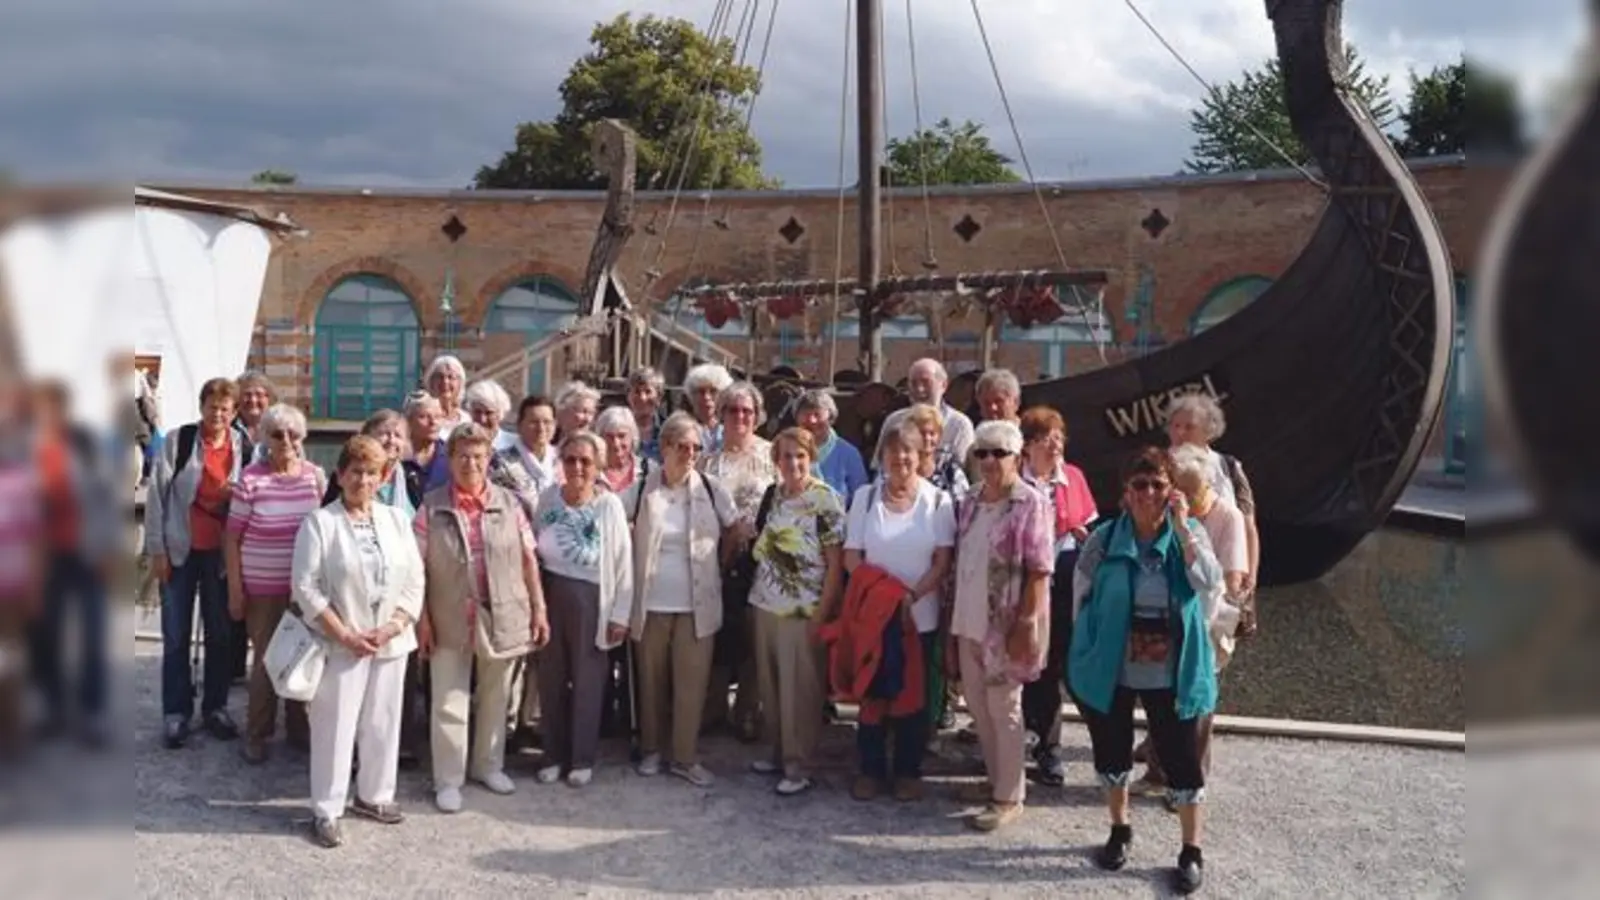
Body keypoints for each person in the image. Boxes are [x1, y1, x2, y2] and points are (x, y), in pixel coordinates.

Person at [1069, 447, 1223, 895]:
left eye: (1158, 484)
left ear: (1171, 490)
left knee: (1181, 759)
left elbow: (1209, 581)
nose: (1149, 493)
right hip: (1115, 664)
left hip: (1168, 669)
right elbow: (1081, 590)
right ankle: (1119, 830)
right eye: (1140, 485)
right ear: (1125, 493)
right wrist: (1087, 643)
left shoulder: (1187, 534)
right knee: (1112, 752)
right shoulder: (1105, 537)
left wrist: (1182, 528)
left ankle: (1191, 850)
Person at [291, 435, 425, 848]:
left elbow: (415, 579)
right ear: (340, 475)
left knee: (383, 722)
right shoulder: (320, 522)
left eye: (371, 473)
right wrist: (345, 633)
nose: (363, 480)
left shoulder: (396, 520)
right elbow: (305, 586)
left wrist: (394, 625)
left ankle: (374, 795)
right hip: (340, 644)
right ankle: (327, 809)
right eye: (355, 472)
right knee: (335, 727)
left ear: (383, 477)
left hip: (390, 641)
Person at [415, 424, 551, 813]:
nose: (470, 463)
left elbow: (529, 560)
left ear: (489, 459)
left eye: (478, 456)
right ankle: (448, 779)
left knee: (496, 695)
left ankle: (488, 766)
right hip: (448, 614)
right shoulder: (432, 504)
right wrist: (422, 619)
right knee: (448, 700)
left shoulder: (509, 504)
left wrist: (539, 609)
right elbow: (417, 569)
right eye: (462, 456)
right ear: (450, 459)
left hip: (503, 612)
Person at [612, 412, 738, 787]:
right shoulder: (641, 490)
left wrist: (720, 562)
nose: (689, 454)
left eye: (696, 447)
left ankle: (684, 757)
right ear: (664, 447)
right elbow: (613, 523)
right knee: (651, 684)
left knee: (691, 684)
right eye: (682, 446)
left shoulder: (712, 489)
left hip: (697, 606)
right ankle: (651, 750)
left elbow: (734, 529)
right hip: (650, 604)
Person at [837, 420, 954, 802]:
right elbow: (852, 557)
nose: (901, 458)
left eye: (909, 451)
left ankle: (907, 770)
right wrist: (886, 595)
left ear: (921, 457)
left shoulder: (938, 501)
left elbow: (942, 561)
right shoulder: (865, 498)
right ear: (882, 456)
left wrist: (912, 596)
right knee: (872, 695)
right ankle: (869, 769)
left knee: (912, 697)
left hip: (919, 617)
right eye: (893, 450)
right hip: (874, 616)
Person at [948, 420, 1055, 832]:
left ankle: (1009, 795)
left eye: (999, 453)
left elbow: (1040, 570)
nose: (990, 461)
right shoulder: (971, 499)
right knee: (977, 705)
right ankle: (996, 780)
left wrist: (1027, 623)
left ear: (1017, 457)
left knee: (1004, 707)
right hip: (969, 618)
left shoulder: (1031, 503)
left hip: (1007, 622)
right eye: (982, 453)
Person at [1132, 444, 1249, 800]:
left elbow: (1230, 576)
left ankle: (1190, 782)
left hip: (1208, 622)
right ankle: (1156, 772)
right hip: (1167, 624)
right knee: (1159, 699)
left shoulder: (1225, 516)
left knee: (1198, 707)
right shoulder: (1165, 517)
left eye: (1191, 490)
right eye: (1178, 488)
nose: (1184, 497)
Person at [146, 377, 250, 749]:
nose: (217, 414)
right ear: (201, 407)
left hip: (220, 553)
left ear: (234, 412)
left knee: (219, 634)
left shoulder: (243, 445)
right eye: (212, 406)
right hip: (180, 548)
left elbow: (250, 495)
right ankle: (176, 713)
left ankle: (215, 707)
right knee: (175, 635)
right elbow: (158, 496)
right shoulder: (180, 441)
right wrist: (156, 550)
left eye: (225, 408)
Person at [531, 431, 633, 787]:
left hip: (594, 598)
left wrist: (621, 614)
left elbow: (623, 562)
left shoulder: (609, 505)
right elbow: (532, 547)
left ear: (598, 466)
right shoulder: (548, 498)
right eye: (570, 459)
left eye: (585, 461)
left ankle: (581, 758)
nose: (577, 467)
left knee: (589, 681)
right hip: (552, 592)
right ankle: (552, 755)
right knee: (551, 679)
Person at [747, 428, 845, 796]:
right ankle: (777, 752)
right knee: (771, 687)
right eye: (786, 456)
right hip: (766, 603)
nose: (793, 463)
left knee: (799, 691)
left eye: (800, 456)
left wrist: (823, 612)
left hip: (804, 608)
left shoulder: (827, 501)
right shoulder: (775, 495)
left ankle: (798, 763)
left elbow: (835, 564)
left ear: (811, 457)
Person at [224, 403, 325, 763]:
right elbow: (231, 538)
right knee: (267, 662)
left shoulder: (315, 476)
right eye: (277, 434)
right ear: (265, 437)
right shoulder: (251, 479)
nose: (285, 440)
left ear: (302, 437)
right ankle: (257, 733)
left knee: (302, 656)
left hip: (304, 589)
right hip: (261, 588)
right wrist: (235, 590)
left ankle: (300, 730)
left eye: (292, 434)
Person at [1017, 405, 1099, 787]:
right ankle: (1030, 740)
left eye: (1059, 438)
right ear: (1028, 445)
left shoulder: (1075, 478)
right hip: (1021, 577)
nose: (1055, 446)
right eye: (1046, 439)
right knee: (1030, 660)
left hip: (1066, 577)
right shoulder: (1016, 481)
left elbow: (1089, 532)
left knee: (1063, 661)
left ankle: (1058, 746)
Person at [698, 381, 776, 741]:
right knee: (716, 632)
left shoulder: (773, 455)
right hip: (714, 557)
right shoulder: (706, 459)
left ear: (757, 417)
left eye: (747, 411)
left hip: (761, 559)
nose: (740, 417)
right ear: (722, 415)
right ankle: (712, 708)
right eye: (733, 410)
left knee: (753, 637)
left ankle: (748, 710)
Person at [793, 389, 867, 500]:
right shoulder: (786, 448)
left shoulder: (849, 453)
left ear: (831, 418)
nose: (811, 420)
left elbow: (862, 497)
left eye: (817, 414)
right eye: (805, 414)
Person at [402, 391, 449, 494]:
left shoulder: (451, 455)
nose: (433, 422)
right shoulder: (398, 457)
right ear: (408, 421)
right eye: (423, 416)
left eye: (438, 417)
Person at [682, 363, 733, 454]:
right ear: (692, 395)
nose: (707, 397)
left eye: (713, 391)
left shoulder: (731, 431)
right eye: (701, 392)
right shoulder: (681, 429)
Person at [594, 406, 646, 493]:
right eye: (609, 436)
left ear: (633, 437)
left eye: (621, 436)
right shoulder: (591, 471)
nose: (616, 443)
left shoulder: (648, 469)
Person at [626, 367, 668, 462]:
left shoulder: (668, 430)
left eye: (648, 392)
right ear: (629, 395)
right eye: (637, 391)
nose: (642, 398)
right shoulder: (620, 427)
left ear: (659, 397)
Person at [464, 379, 517, 452]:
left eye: (489, 413)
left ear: (500, 414)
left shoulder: (515, 444)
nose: (482, 419)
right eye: (477, 412)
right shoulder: (459, 444)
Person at [425, 355, 472, 432]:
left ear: (460, 383)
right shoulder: (423, 418)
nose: (445, 382)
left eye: (451, 377)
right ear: (431, 381)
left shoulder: (467, 420)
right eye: (440, 377)